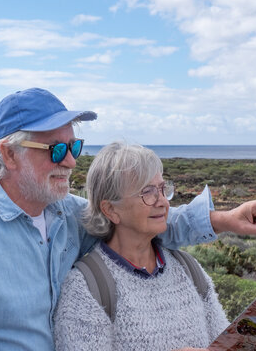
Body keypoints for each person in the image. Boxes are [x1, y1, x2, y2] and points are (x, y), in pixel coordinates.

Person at [0, 87, 256, 350]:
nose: (71, 161)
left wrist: (222, 219)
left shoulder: (67, 214)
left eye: (75, 146)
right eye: (56, 150)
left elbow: (142, 221)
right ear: (8, 154)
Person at [53, 141, 230, 350]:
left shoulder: (189, 269)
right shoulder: (85, 288)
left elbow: (226, 344)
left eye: (163, 189)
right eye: (147, 192)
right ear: (110, 210)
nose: (163, 202)